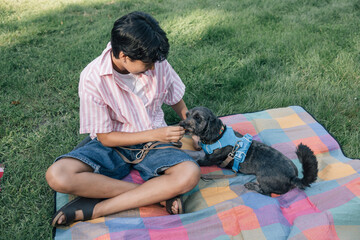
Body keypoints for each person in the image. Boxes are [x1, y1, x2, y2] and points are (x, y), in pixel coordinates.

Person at [46, 11, 201, 226]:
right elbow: (106, 138)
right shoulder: (92, 78)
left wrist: (194, 129)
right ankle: (156, 194)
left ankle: (98, 208)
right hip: (113, 145)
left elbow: (176, 99)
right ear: (124, 57)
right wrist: (157, 134)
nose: (153, 68)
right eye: (147, 64)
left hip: (154, 145)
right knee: (57, 175)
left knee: (189, 173)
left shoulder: (155, 60)